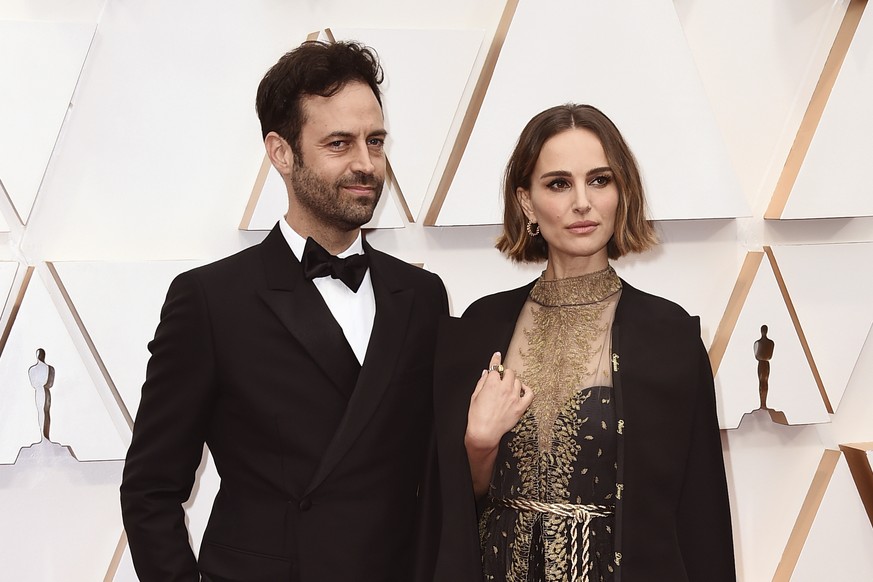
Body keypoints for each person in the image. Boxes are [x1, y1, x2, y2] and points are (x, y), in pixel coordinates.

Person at [120, 40, 448, 582]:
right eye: (339, 143)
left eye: (376, 141)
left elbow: (434, 479)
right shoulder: (210, 300)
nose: (365, 164)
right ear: (282, 152)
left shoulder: (422, 295)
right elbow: (150, 490)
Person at [429, 104, 735, 581]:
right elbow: (445, 506)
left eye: (599, 180)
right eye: (558, 184)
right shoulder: (478, 327)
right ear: (527, 203)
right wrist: (479, 441)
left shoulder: (669, 335)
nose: (582, 203)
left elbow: (701, 514)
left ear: (621, 192)